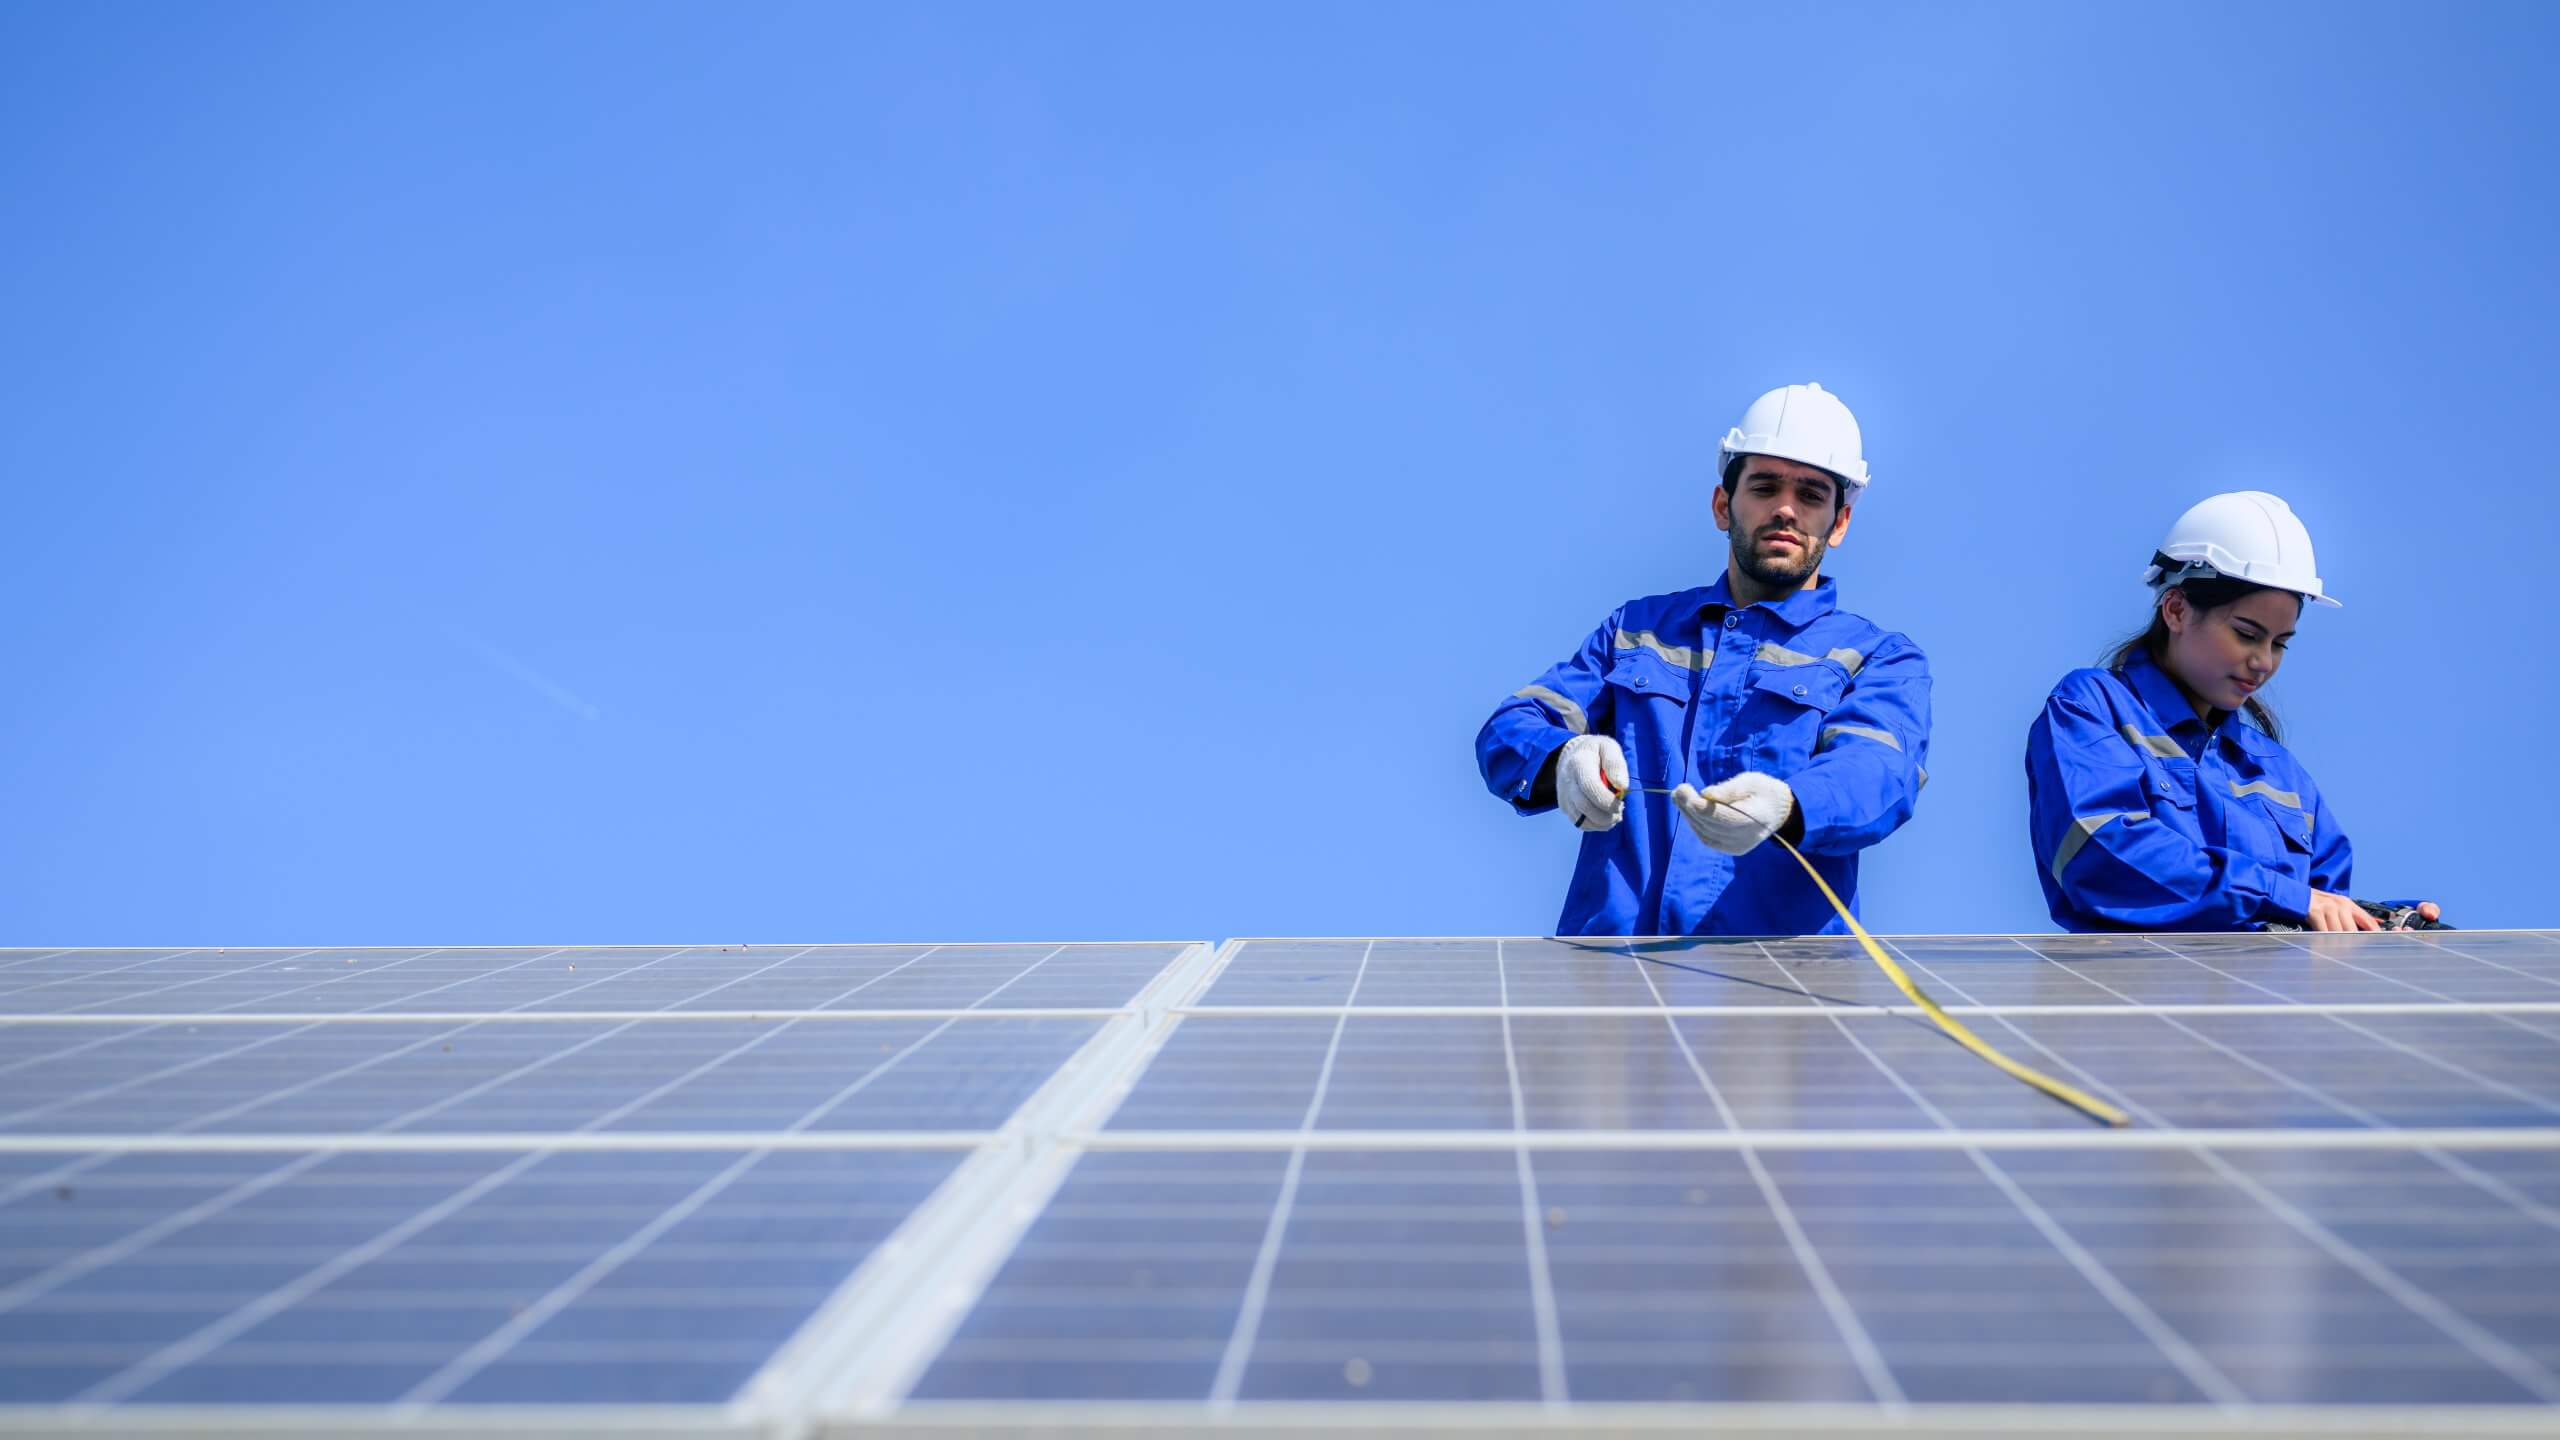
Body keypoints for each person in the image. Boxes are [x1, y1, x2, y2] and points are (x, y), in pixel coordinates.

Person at [1475, 382, 1931, 937]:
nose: (1786, 508)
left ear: (1839, 524)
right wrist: (1562, 758)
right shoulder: (1636, 631)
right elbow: (1511, 727)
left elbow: (1878, 775)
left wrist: (1791, 805)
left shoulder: (1877, 658)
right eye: (1764, 486)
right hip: (1612, 990)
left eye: (1812, 495)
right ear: (1722, 505)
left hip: (1787, 1000)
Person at [2025, 490, 2442, 932]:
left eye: (2280, 643)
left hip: (2269, 999)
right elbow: (2101, 852)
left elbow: (2319, 910)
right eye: (2247, 634)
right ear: (2177, 610)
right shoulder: (2092, 708)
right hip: (2137, 993)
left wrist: (2378, 925)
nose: (2263, 661)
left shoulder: (2281, 772)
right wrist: (2281, 895)